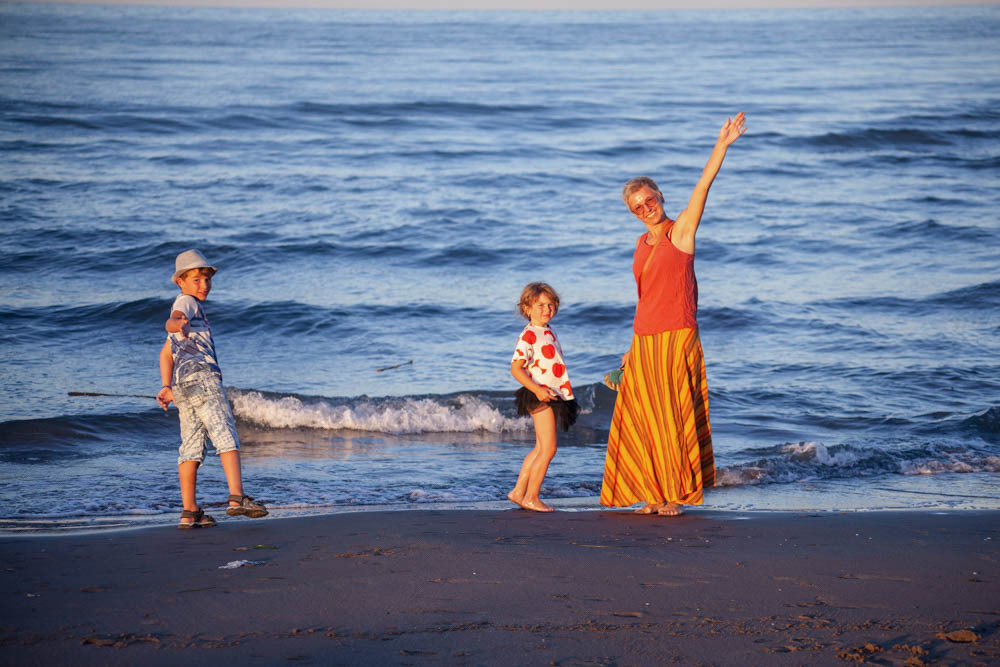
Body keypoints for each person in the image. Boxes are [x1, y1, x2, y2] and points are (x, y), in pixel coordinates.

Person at [601, 113, 747, 517]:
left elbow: (703, 187)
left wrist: (722, 145)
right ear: (632, 212)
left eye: (650, 200)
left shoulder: (680, 232)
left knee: (670, 418)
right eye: (637, 206)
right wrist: (631, 349)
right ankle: (652, 493)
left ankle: (674, 496)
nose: (646, 208)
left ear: (661, 197)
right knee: (645, 420)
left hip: (676, 336)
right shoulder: (640, 243)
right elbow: (645, 297)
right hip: (645, 340)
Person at [156, 249, 268, 529]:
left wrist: (167, 386)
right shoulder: (186, 304)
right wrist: (178, 322)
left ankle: (190, 511)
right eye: (196, 280)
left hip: (184, 387)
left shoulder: (187, 310)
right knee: (225, 434)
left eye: (207, 280)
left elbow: (166, 353)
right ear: (181, 282)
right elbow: (175, 318)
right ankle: (236, 497)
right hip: (205, 381)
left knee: (191, 447)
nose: (203, 285)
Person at [507, 282, 579, 513]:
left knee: (540, 447)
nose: (546, 309)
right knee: (549, 448)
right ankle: (532, 496)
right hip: (538, 394)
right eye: (540, 305)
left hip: (550, 393)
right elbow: (516, 368)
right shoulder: (528, 335)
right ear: (527, 308)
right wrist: (537, 390)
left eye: (551, 304)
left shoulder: (548, 330)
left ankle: (519, 492)